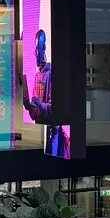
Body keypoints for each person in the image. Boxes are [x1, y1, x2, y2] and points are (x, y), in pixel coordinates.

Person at [23, 29, 69, 159]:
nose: (35, 53)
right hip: (40, 129)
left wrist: (39, 104)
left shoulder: (51, 74)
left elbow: (54, 108)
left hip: (52, 131)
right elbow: (35, 109)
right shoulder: (38, 75)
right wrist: (29, 105)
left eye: (38, 49)